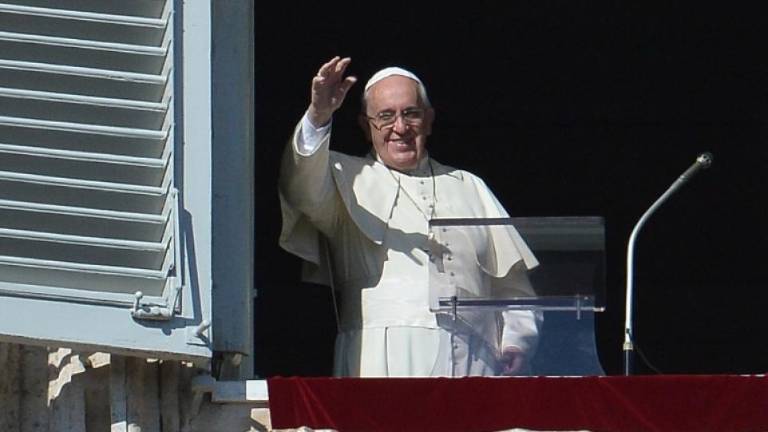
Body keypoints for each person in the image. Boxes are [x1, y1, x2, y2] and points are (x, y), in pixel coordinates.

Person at [279, 56, 541, 377]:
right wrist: (319, 115)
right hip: (378, 357)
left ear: (429, 120)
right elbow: (300, 187)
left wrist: (516, 341)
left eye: (410, 114)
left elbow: (513, 286)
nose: (400, 128)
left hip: (475, 358)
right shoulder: (342, 176)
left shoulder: (470, 186)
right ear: (366, 125)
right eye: (385, 117)